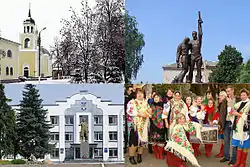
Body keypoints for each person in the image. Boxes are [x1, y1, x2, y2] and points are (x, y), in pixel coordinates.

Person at [126, 88, 152, 165]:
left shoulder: (146, 103)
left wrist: (149, 112)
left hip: (144, 125)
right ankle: (131, 156)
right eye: (138, 93)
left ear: (144, 94)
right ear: (136, 94)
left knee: (142, 141)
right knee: (133, 142)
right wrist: (139, 114)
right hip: (135, 125)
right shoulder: (132, 102)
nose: (140, 95)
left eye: (141, 93)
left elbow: (149, 113)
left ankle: (139, 155)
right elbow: (129, 111)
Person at [229, 89, 250, 167]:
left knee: (245, 145)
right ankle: (238, 162)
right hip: (237, 126)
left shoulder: (249, 104)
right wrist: (232, 112)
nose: (242, 96)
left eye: (244, 95)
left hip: (245, 127)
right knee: (239, 145)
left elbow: (247, 116)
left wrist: (238, 114)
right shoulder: (239, 104)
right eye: (241, 95)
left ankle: (242, 163)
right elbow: (233, 110)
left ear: (247, 95)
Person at [224, 86, 238, 166]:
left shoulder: (237, 100)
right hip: (226, 122)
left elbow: (234, 111)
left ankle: (233, 159)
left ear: (233, 90)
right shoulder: (225, 100)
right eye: (227, 91)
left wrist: (230, 103)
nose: (228, 93)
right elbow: (223, 111)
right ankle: (226, 156)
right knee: (226, 140)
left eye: (229, 91)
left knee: (233, 141)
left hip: (234, 122)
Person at [150, 93, 165, 160]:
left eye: (157, 97)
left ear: (160, 98)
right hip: (153, 124)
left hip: (161, 125)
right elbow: (149, 114)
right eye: (155, 97)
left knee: (161, 140)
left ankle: (161, 153)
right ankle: (156, 153)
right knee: (154, 140)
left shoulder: (163, 105)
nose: (156, 98)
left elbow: (165, 114)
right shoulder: (151, 105)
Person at [216, 91, 228, 160]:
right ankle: (221, 152)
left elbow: (224, 115)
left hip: (224, 123)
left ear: (224, 96)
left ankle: (223, 153)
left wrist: (221, 124)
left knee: (224, 139)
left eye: (221, 95)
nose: (219, 97)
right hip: (222, 123)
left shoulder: (224, 103)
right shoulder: (221, 103)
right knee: (223, 139)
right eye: (219, 95)